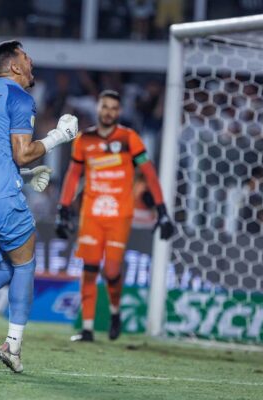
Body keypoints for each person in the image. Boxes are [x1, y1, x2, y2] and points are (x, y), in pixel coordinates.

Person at [0, 40, 77, 373]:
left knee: (2, 269)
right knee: (24, 266)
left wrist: (24, 172)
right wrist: (59, 136)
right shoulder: (20, 97)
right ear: (15, 67)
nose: (31, 60)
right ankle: (12, 346)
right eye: (25, 56)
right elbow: (22, 151)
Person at [56, 90, 174, 342]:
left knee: (111, 271)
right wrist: (63, 208)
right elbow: (73, 175)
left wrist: (162, 210)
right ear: (98, 109)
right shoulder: (84, 140)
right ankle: (87, 328)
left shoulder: (129, 138)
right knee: (88, 269)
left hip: (119, 215)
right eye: (104, 107)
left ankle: (115, 311)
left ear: (118, 112)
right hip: (91, 215)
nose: (108, 111)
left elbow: (150, 174)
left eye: (113, 108)